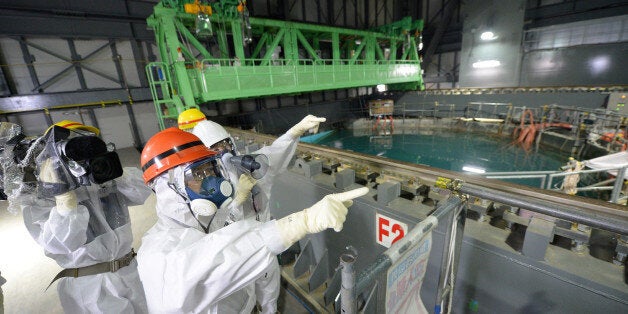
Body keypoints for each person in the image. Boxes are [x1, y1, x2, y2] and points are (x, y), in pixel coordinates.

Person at [136, 127, 367, 313]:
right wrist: (301, 222)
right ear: (168, 188)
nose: (210, 181)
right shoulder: (159, 254)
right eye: (197, 175)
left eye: (209, 170)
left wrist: (292, 133)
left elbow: (272, 157)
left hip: (256, 270)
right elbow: (219, 259)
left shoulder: (208, 220)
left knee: (268, 295)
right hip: (258, 252)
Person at [178, 109, 325, 311]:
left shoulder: (253, 165)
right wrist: (237, 201)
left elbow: (276, 152)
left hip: (266, 244)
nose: (225, 151)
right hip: (235, 256)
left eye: (226, 144)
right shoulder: (202, 188)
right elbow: (209, 231)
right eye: (216, 148)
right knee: (243, 302)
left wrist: (295, 131)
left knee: (269, 296)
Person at [21, 120, 151, 313]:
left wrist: (115, 173)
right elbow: (61, 243)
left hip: (130, 271)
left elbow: (143, 191)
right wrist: (63, 198)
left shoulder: (102, 178)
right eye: (76, 149)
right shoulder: (41, 197)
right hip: (91, 287)